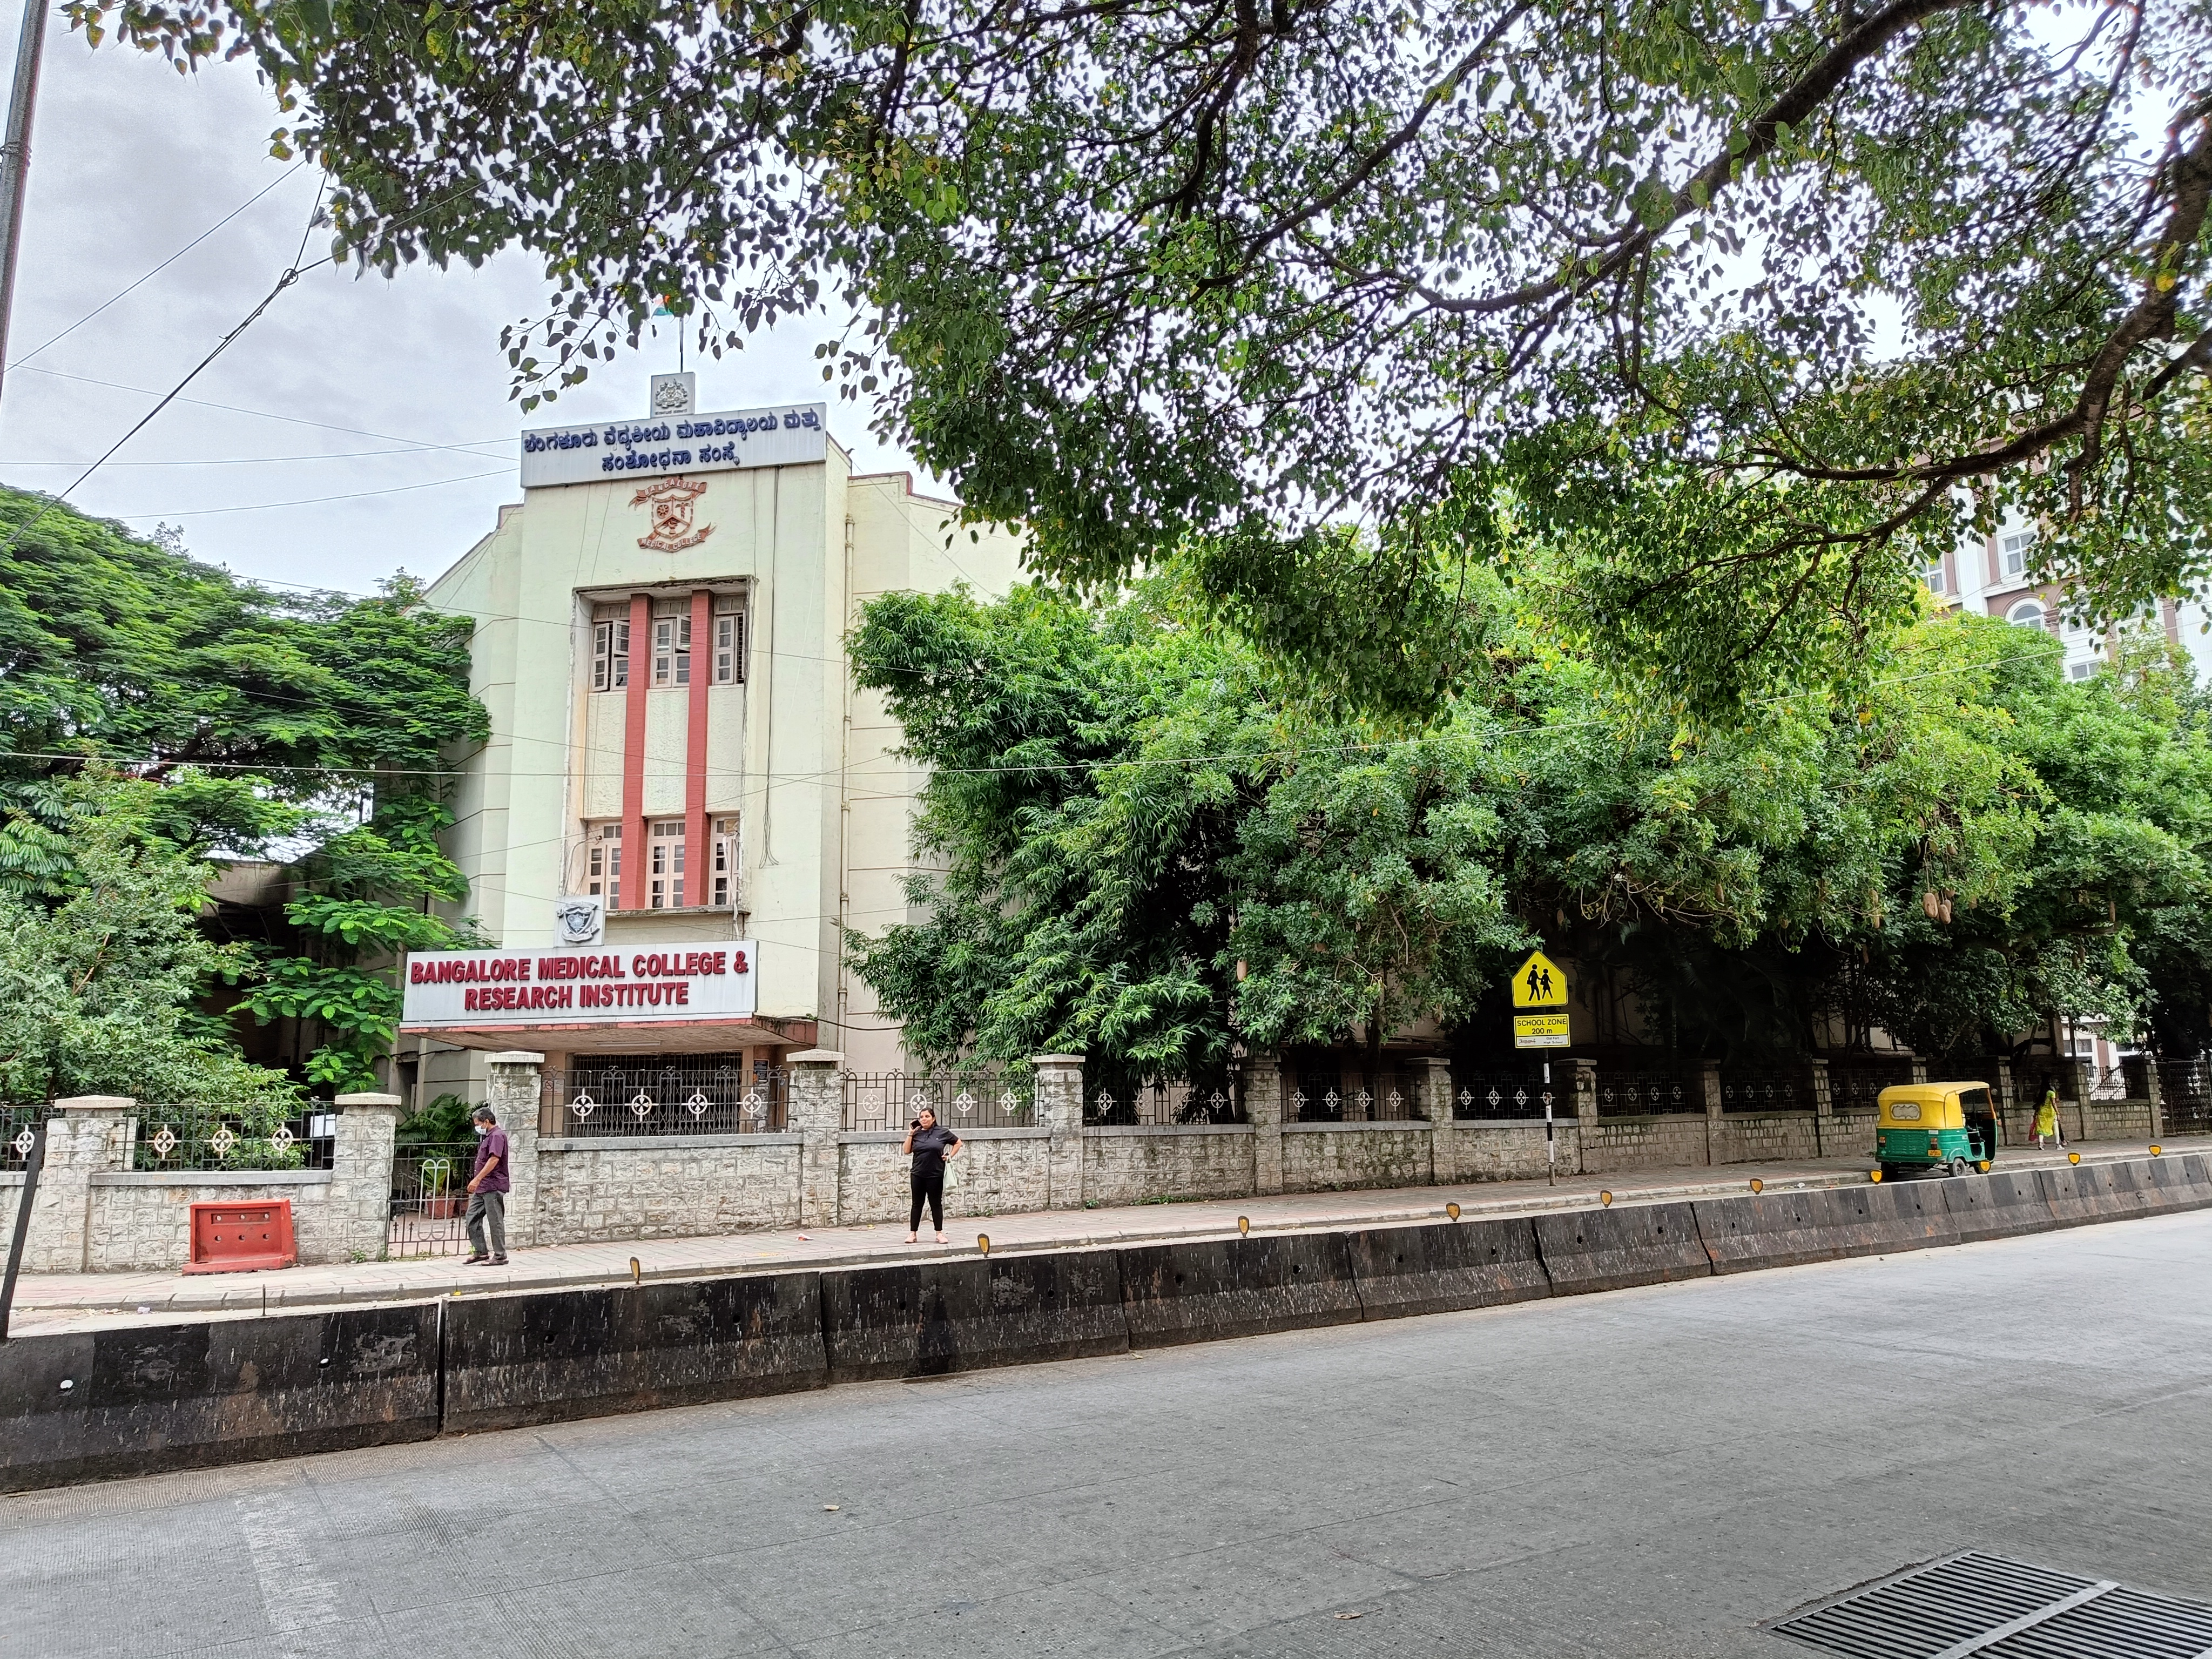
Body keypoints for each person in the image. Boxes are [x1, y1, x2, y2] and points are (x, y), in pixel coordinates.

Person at [902, 1104, 961, 1244]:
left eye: (927, 1116)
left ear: (933, 1119)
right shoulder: (916, 1133)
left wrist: (950, 1156)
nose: (924, 1119)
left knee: (936, 1204)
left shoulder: (942, 1132)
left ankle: (939, 1234)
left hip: (935, 1174)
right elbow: (906, 1151)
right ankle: (913, 1234)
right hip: (918, 1174)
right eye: (921, 1117)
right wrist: (910, 1132)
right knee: (917, 1204)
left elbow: (958, 1143)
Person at [463, 1104, 510, 1265]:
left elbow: (494, 1159)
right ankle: (481, 1252)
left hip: (493, 1185)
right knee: (472, 1217)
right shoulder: (488, 1137)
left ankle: (500, 1256)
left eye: (478, 1124)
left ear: (487, 1121)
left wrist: (477, 1179)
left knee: (495, 1221)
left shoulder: (497, 1136)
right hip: (483, 1187)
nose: (478, 1127)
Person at [2034, 1087, 2064, 1151]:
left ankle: (2040, 1144)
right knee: (2056, 1128)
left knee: (2041, 1128)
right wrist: (2058, 1113)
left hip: (2042, 1112)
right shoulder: (2051, 1093)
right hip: (2051, 1113)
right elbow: (2054, 1103)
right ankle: (2058, 1145)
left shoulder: (2041, 1093)